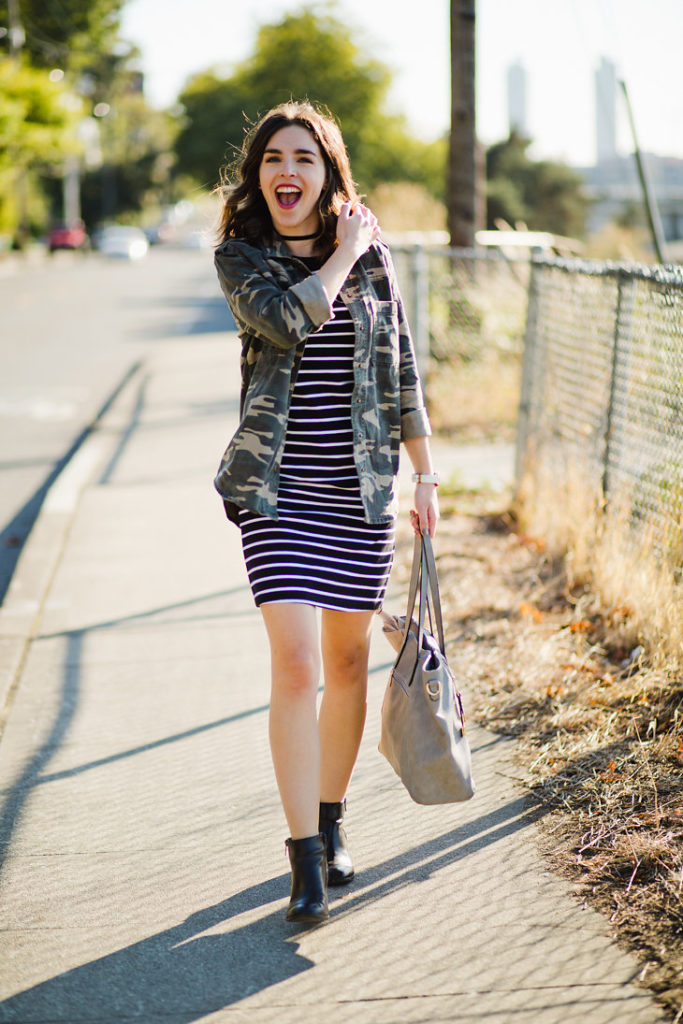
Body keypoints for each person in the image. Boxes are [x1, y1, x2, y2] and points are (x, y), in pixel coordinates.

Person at [213, 101, 439, 924]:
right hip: (276, 494)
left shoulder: (373, 258)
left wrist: (425, 474)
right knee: (299, 666)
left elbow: (400, 368)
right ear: (258, 176)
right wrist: (345, 250)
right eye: (273, 158)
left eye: (304, 158)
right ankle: (304, 858)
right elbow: (286, 320)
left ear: (327, 172)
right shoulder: (242, 258)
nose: (287, 171)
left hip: (359, 493)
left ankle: (334, 820)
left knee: (347, 666)